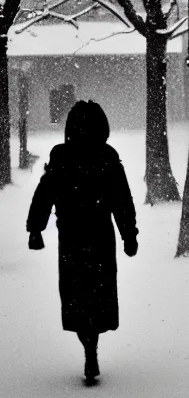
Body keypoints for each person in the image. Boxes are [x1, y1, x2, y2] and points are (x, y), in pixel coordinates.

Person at [26, 100, 138, 385]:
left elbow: (45, 193)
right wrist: (129, 234)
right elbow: (121, 200)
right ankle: (92, 348)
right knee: (98, 296)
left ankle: (87, 346)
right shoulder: (107, 156)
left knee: (78, 297)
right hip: (100, 236)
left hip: (72, 238)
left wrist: (36, 229)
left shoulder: (62, 156)